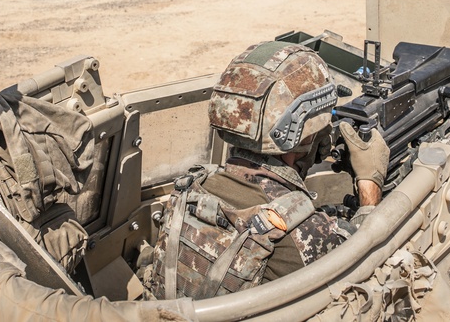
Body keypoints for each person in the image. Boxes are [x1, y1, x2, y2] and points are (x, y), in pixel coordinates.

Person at [143, 40, 390, 300]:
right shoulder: (303, 235)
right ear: (303, 135)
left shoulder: (188, 190)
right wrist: (369, 186)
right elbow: (368, 273)